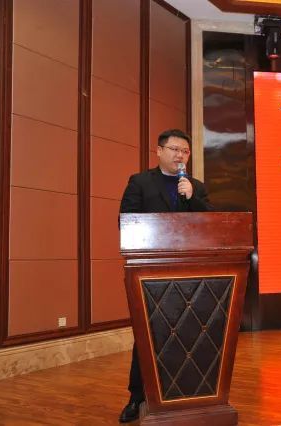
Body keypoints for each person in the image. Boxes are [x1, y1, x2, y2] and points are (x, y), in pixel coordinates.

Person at [118, 129, 213, 423]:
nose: (179, 155)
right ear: (159, 151)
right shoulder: (140, 182)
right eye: (174, 149)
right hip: (149, 272)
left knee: (188, 334)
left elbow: (210, 224)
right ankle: (137, 396)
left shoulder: (196, 187)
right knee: (147, 335)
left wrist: (193, 198)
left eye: (184, 151)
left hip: (190, 274)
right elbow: (126, 222)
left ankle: (185, 392)